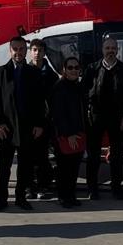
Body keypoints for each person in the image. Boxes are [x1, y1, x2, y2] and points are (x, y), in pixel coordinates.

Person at [0, 36, 48, 211]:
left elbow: (40, 101)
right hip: (6, 128)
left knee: (25, 165)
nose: (18, 52)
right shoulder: (0, 72)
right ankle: (1, 199)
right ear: (10, 50)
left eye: (22, 49)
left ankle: (21, 197)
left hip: (27, 127)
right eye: (15, 49)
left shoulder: (34, 73)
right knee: (5, 166)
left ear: (26, 50)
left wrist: (39, 124)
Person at [83, 37, 123, 200]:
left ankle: (116, 188)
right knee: (93, 155)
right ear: (102, 50)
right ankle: (92, 188)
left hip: (117, 117)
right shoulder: (92, 69)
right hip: (95, 118)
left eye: (113, 48)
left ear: (117, 50)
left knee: (117, 155)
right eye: (107, 48)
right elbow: (84, 94)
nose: (110, 51)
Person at [49, 57, 87, 207]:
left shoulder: (78, 86)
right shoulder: (59, 87)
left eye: (76, 67)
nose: (73, 70)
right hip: (65, 135)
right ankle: (63, 197)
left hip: (78, 133)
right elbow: (58, 113)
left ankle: (71, 195)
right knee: (64, 168)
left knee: (74, 168)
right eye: (70, 67)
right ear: (64, 69)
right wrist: (68, 133)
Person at [27, 38, 59, 199]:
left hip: (45, 123)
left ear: (44, 52)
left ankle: (42, 186)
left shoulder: (51, 76)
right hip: (28, 122)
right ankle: (28, 186)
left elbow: (53, 101)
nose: (37, 53)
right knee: (27, 156)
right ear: (30, 52)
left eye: (40, 50)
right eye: (34, 50)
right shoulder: (24, 72)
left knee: (42, 157)